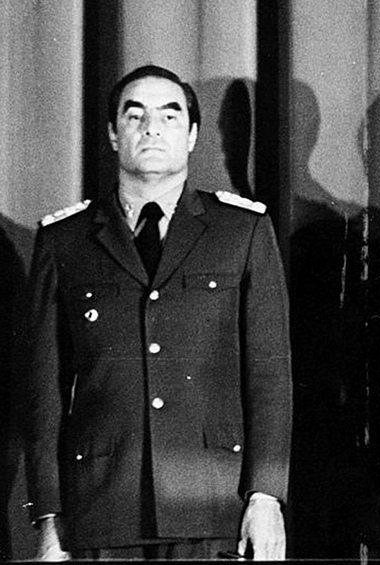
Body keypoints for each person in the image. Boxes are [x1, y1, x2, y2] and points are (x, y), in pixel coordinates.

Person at [22, 65, 292, 560]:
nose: (151, 128)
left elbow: (270, 376)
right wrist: (49, 515)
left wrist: (266, 495)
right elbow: (44, 392)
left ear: (192, 135)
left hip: (213, 503)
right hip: (102, 509)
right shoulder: (65, 240)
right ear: (112, 133)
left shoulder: (242, 232)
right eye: (135, 115)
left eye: (170, 116)